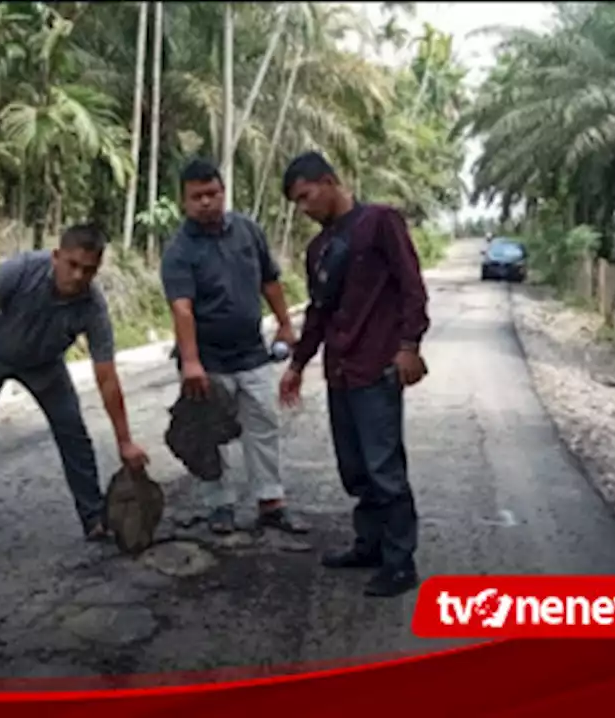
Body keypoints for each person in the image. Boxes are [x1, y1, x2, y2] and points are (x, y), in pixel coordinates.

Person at [0, 224, 150, 550]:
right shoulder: (20, 270)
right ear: (56, 256)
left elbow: (107, 375)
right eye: (72, 265)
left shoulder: (92, 306)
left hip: (45, 367)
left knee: (74, 435)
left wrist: (125, 441)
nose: (78, 276)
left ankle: (93, 517)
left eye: (89, 270)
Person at [278, 151, 430, 597]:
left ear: (328, 181)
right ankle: (370, 544)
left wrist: (409, 346)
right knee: (355, 468)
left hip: (377, 366)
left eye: (306, 197)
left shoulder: (380, 222)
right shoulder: (318, 249)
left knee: (384, 468)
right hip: (340, 371)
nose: (304, 209)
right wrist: (298, 364)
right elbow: (319, 314)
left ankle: (400, 562)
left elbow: (411, 286)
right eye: (297, 203)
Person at [159, 157, 307, 536]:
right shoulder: (179, 250)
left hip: (251, 353)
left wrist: (286, 326)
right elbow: (182, 308)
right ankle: (218, 505)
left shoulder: (248, 232)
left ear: (223, 193)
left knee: (263, 424)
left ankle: (271, 502)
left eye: (212, 193)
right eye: (197, 196)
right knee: (207, 433)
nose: (205, 202)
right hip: (206, 361)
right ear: (183, 201)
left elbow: (270, 282)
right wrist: (191, 361)